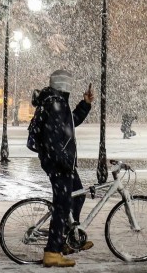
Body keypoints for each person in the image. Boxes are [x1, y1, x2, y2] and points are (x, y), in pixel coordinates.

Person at [32, 70, 94, 268]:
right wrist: (62, 162)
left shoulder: (56, 102)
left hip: (63, 162)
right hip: (59, 164)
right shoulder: (55, 103)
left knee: (78, 195)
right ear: (64, 85)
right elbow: (53, 138)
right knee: (62, 205)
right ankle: (53, 251)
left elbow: (70, 123)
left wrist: (85, 104)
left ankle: (67, 239)